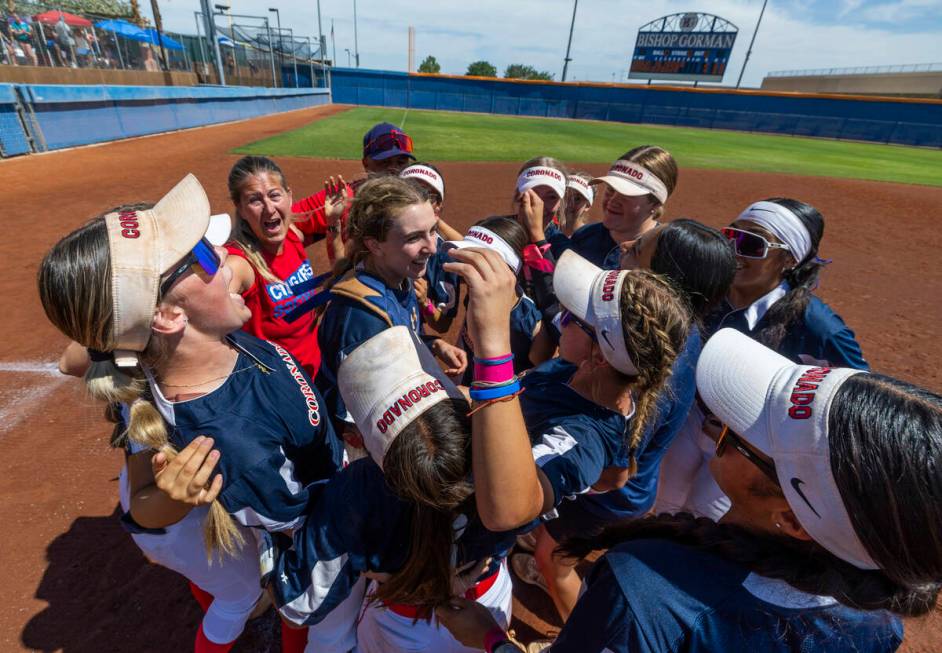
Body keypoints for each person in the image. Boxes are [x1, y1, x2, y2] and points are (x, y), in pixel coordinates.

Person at [437, 328, 942, 652]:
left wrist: (493, 643)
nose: (720, 423)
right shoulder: (878, 621)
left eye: (741, 436)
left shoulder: (646, 591)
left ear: (792, 519)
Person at [37, 176, 342, 653]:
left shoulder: (165, 354)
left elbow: (79, 357)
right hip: (189, 521)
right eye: (202, 254)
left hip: (177, 509)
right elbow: (299, 531)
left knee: (227, 583)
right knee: (239, 595)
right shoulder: (228, 439)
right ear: (166, 317)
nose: (224, 256)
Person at [263, 247, 534, 652]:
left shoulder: (360, 488)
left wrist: (269, 538)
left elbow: (299, 603)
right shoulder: (503, 461)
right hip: (487, 612)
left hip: (403, 630)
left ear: (373, 452)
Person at [658, 198, 868, 520]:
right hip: (691, 421)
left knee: (707, 521)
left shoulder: (818, 327)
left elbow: (855, 397)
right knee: (662, 505)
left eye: (752, 244)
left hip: (748, 448)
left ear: (787, 259)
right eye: (731, 237)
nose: (735, 251)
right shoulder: (708, 292)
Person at [316, 176, 468, 453]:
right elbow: (352, 417)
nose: (432, 247)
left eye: (432, 231)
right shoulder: (362, 315)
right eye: (414, 238)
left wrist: (432, 344)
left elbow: (398, 337)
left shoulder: (398, 275)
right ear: (375, 245)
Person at [225, 156, 340, 378]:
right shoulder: (240, 263)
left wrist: (333, 223)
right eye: (255, 200)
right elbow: (203, 312)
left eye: (274, 195)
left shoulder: (293, 235)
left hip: (316, 368)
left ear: (289, 195)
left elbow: (339, 270)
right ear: (240, 207)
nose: (269, 208)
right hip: (283, 386)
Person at [291, 122, 416, 262]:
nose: (394, 170)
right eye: (384, 162)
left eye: (401, 162)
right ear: (366, 164)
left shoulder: (416, 199)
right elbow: (287, 220)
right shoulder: (345, 198)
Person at [447, 216, 541, 384]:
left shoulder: (531, 323)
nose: (465, 266)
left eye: (477, 262)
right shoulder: (476, 291)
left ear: (508, 270)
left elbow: (543, 379)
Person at [556, 146, 678, 270]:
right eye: (610, 189)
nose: (612, 200)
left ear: (655, 203)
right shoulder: (584, 237)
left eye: (626, 194)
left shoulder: (668, 256)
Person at [401, 161, 463, 333]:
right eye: (410, 190)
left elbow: (443, 325)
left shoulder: (444, 256)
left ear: (439, 205)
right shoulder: (375, 237)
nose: (419, 201)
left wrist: (424, 302)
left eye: (429, 195)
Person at [560, 172, 595, 237]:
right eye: (565, 195)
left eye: (577, 199)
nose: (569, 204)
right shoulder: (548, 231)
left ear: (587, 205)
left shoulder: (591, 239)